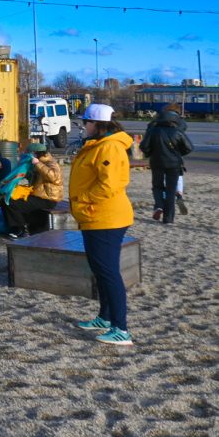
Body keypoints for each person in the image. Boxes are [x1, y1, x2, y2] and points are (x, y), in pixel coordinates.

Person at [69, 103, 135, 346]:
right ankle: (105, 317)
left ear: (97, 124)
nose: (83, 126)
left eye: (85, 122)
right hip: (95, 216)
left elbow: (110, 185)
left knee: (108, 273)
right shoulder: (98, 144)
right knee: (100, 269)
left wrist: (82, 199)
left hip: (105, 217)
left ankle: (121, 329)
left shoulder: (109, 147)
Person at [140, 104, 193, 224]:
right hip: (174, 163)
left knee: (157, 186)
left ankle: (159, 205)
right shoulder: (177, 130)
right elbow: (189, 147)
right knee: (171, 190)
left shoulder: (153, 129)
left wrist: (150, 153)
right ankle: (168, 218)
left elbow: (144, 146)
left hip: (156, 161)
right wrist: (178, 153)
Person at [1, 142, 64, 238]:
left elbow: (54, 177)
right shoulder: (37, 162)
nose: (28, 156)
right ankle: (15, 227)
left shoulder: (51, 163)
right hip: (36, 196)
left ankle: (21, 230)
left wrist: (37, 164)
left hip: (47, 199)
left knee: (11, 203)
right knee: (5, 199)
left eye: (29, 153)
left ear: (35, 153)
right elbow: (33, 177)